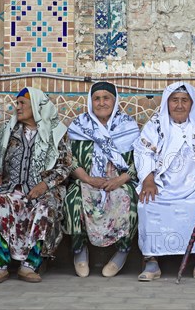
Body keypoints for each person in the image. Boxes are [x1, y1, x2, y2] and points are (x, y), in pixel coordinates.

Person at [133, 82, 195, 281]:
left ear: (192, 104)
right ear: (167, 103)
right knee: (147, 204)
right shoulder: (155, 126)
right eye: (174, 100)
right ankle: (151, 262)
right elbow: (143, 152)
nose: (179, 105)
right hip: (163, 185)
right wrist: (148, 180)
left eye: (184, 100)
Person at [0, 87, 72, 284]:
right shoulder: (8, 131)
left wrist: (45, 184)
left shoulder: (56, 133)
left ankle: (30, 265)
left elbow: (65, 165)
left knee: (45, 207)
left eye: (22, 103)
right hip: (11, 188)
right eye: (17, 103)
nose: (18, 107)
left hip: (43, 189)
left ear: (36, 105)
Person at [63, 81, 140, 278]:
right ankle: (79, 250)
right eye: (96, 98)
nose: (101, 103)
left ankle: (122, 252)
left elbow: (139, 161)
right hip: (86, 180)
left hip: (120, 180)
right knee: (74, 200)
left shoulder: (128, 126)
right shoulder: (79, 126)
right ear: (90, 101)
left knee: (129, 199)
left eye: (106, 98)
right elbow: (68, 159)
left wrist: (119, 180)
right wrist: (87, 179)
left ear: (115, 102)